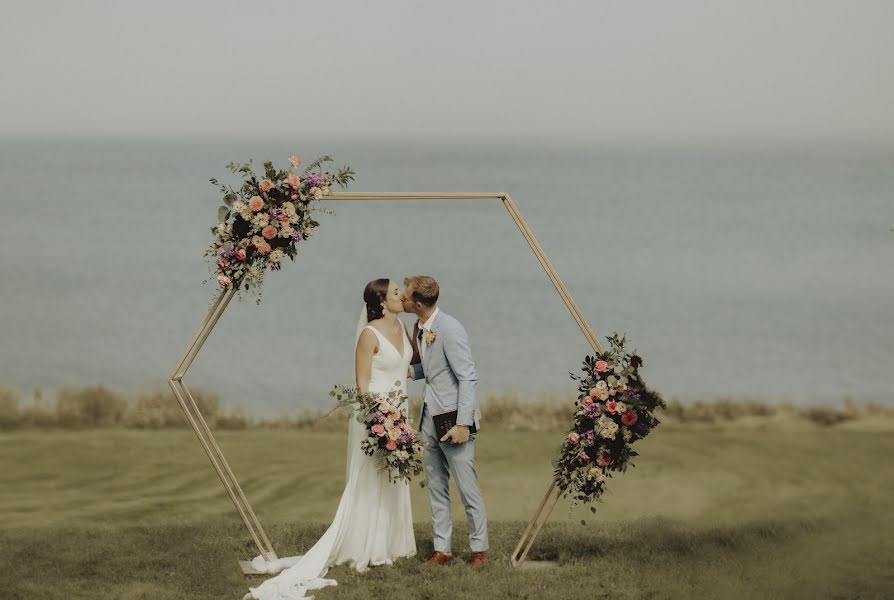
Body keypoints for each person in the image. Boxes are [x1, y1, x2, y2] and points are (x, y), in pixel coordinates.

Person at [245, 278, 416, 600]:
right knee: (371, 479)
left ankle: (390, 543)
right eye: (396, 292)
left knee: (394, 478)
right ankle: (364, 546)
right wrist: (382, 417)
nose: (402, 295)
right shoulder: (369, 334)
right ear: (381, 301)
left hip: (401, 412)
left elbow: (404, 369)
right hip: (377, 416)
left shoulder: (404, 330)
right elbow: (362, 384)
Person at [402, 275, 489, 568]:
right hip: (429, 416)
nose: (400, 297)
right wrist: (406, 372)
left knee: (467, 486)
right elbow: (434, 368)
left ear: (417, 303)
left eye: (405, 294)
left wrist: (463, 424)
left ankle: (479, 550)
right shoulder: (421, 327)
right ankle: (443, 550)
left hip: (454, 420)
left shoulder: (450, 329)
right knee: (436, 484)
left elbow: (467, 377)